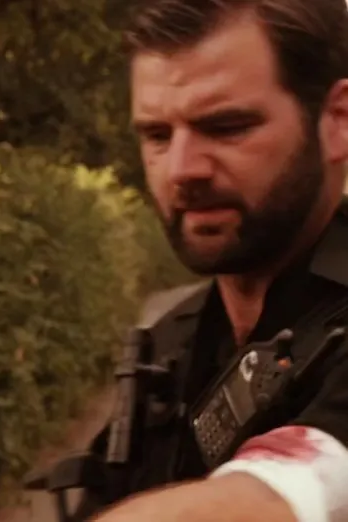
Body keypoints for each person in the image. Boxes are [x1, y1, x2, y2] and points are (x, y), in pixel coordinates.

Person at [34, 0, 348, 521]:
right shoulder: (170, 345)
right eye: (157, 135)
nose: (181, 170)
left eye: (227, 127)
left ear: (338, 121)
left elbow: (300, 487)